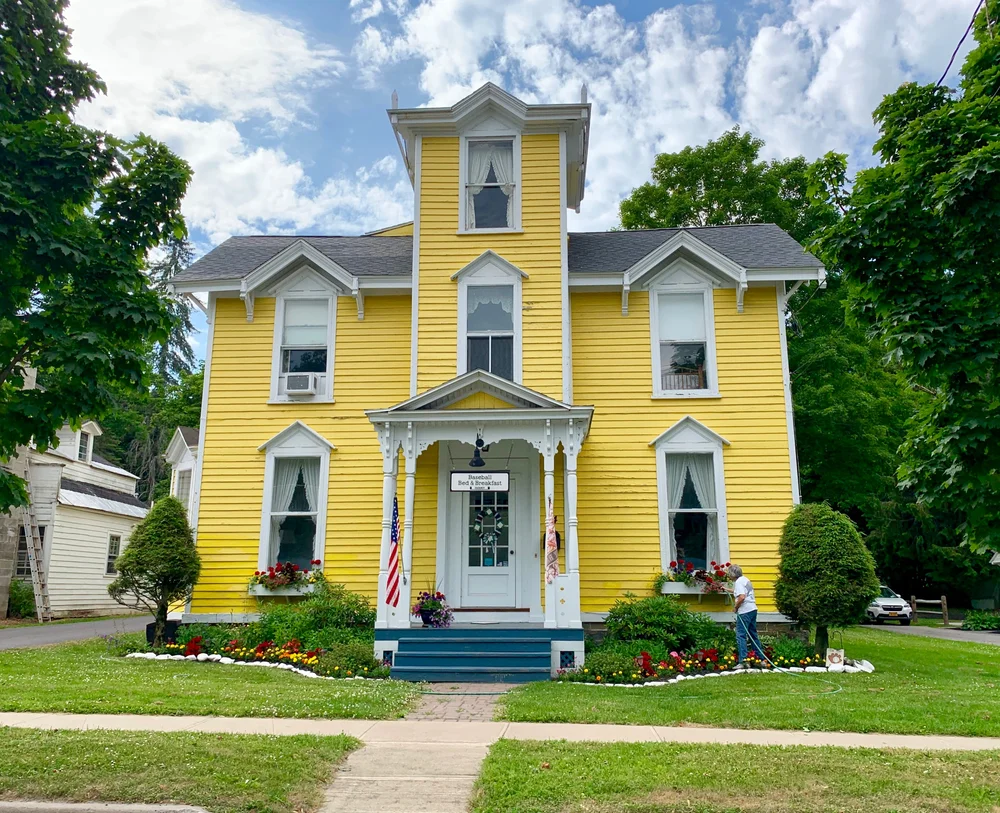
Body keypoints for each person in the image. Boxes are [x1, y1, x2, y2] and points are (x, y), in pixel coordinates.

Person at [728, 564, 764, 665]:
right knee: (753, 634)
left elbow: (742, 597)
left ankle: (743, 661)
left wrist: (736, 607)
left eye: (729, 574)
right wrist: (727, 590)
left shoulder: (738, 582)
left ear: (732, 574)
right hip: (752, 609)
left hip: (745, 611)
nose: (728, 576)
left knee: (741, 635)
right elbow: (740, 593)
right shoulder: (745, 579)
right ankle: (761, 659)